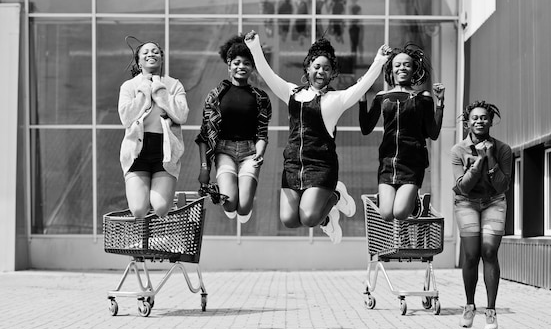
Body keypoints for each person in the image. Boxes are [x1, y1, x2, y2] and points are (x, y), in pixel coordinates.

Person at [244, 30, 391, 243]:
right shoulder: (292, 93)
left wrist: (379, 60)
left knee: (309, 217)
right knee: (289, 220)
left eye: (327, 68)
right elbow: (268, 74)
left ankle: (336, 195)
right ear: (308, 68)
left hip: (321, 168)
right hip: (293, 166)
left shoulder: (337, 99)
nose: (321, 71)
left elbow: (362, 86)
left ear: (332, 73)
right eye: (317, 67)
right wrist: (254, 47)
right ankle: (327, 220)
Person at [359, 44, 445, 221]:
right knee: (386, 215)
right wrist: (362, 98)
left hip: (413, 164)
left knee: (399, 213)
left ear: (414, 69)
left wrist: (440, 103)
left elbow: (433, 132)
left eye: (407, 64)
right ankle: (392, 200)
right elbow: (366, 128)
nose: (402, 68)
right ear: (391, 69)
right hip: (388, 163)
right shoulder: (382, 97)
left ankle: (415, 202)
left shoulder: (423, 97)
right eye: (397, 65)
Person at [195, 34, 272, 224]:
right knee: (229, 205)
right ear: (229, 65)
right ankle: (231, 190)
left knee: (244, 210)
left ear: (252, 68)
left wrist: (260, 154)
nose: (241, 67)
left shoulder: (261, 98)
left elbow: (262, 134)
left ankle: (242, 189)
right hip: (224, 151)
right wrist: (204, 169)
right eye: (237, 63)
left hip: (249, 153)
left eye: (247, 63)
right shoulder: (216, 95)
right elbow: (204, 135)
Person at [451, 100, 512, 329]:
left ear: (490, 121)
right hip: (466, 202)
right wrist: (479, 162)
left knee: (489, 251)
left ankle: (491, 311)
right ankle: (469, 306)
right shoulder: (458, 151)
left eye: (484, 117)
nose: (479, 121)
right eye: (475, 118)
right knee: (471, 254)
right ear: (468, 122)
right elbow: (463, 187)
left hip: (494, 202)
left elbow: (501, 186)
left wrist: (491, 158)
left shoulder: (503, 149)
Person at [118, 38, 189, 218]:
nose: (151, 54)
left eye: (156, 52)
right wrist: (144, 89)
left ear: (162, 58)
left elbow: (181, 115)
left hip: (165, 152)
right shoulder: (129, 86)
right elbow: (126, 118)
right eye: (146, 52)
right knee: (139, 210)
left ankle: (164, 201)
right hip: (137, 151)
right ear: (139, 61)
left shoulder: (174, 85)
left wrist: (159, 89)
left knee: (160, 208)